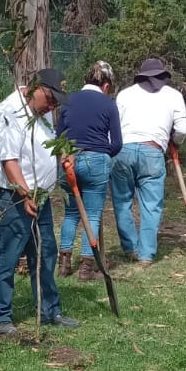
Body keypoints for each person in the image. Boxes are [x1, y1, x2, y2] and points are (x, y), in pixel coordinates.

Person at [0, 67, 79, 338]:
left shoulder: (41, 116)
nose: (52, 106)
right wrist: (24, 195)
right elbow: (9, 160)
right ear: (34, 88)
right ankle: (1, 318)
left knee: (46, 252)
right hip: (11, 197)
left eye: (56, 102)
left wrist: (62, 155)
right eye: (50, 98)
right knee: (8, 255)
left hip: (40, 196)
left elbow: (46, 147)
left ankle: (50, 310)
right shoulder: (9, 113)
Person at [110, 57, 186, 266]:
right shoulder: (174, 96)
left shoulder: (125, 94)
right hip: (152, 151)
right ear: (163, 76)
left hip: (123, 150)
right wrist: (174, 141)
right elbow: (182, 129)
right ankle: (146, 255)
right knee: (151, 205)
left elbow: (114, 126)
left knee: (122, 202)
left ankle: (131, 248)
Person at [56, 60, 123, 281]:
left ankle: (64, 263)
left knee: (71, 213)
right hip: (96, 160)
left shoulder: (68, 101)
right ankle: (86, 267)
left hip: (69, 159)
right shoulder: (108, 104)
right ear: (105, 85)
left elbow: (59, 137)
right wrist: (104, 154)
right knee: (92, 214)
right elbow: (117, 144)